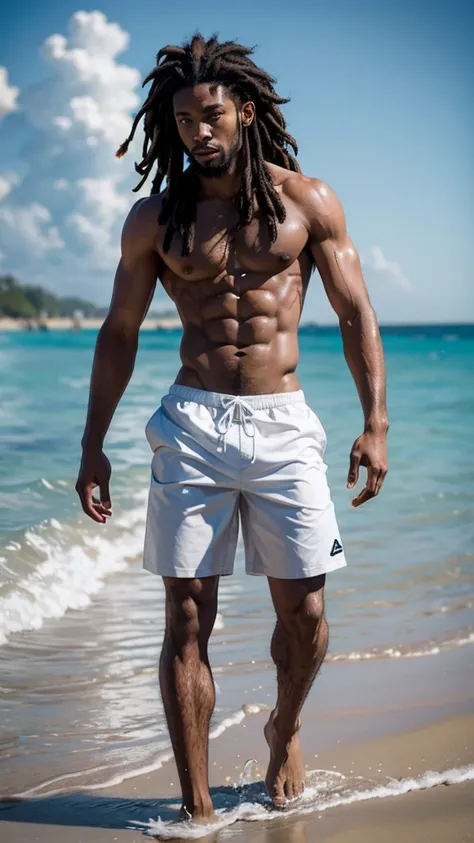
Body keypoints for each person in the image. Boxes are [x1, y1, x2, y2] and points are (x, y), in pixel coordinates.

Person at [76, 34, 389, 823]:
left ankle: (284, 726)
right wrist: (92, 444)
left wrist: (375, 421)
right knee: (184, 614)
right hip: (192, 423)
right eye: (183, 121)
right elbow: (119, 331)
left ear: (245, 111)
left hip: (284, 423)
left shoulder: (308, 202)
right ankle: (197, 808)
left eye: (211, 115)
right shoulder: (156, 217)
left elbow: (355, 313)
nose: (197, 132)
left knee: (307, 613)